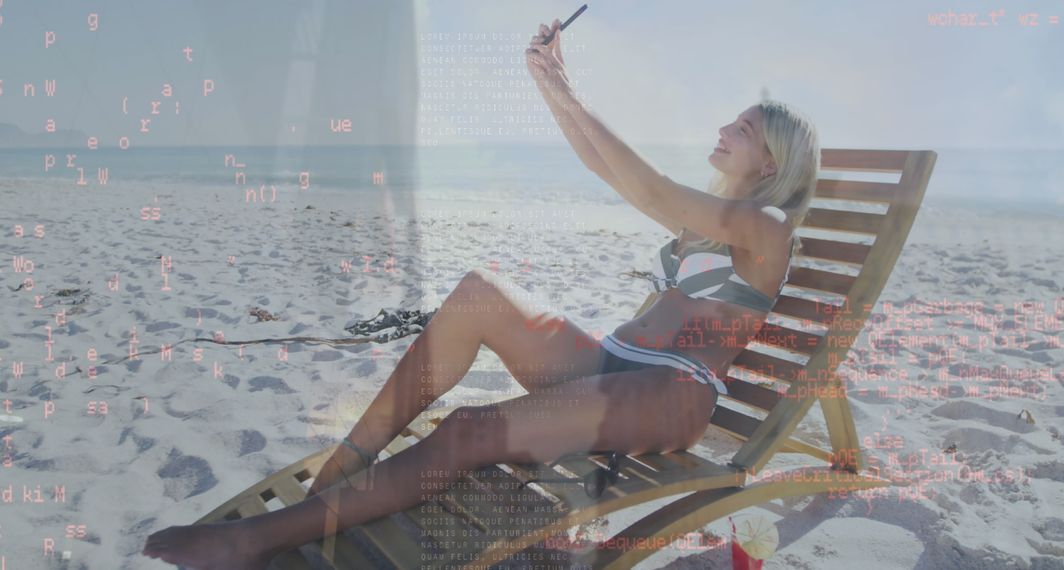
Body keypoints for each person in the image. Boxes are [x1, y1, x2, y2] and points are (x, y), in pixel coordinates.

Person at [141, 17, 819, 569]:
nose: (723, 130)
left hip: (669, 392)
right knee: (478, 293)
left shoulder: (767, 226)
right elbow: (603, 167)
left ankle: (253, 541)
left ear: (772, 161)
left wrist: (570, 90)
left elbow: (647, 186)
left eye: (743, 129)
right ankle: (353, 457)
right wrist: (551, 81)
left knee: (469, 431)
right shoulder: (712, 220)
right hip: (614, 362)